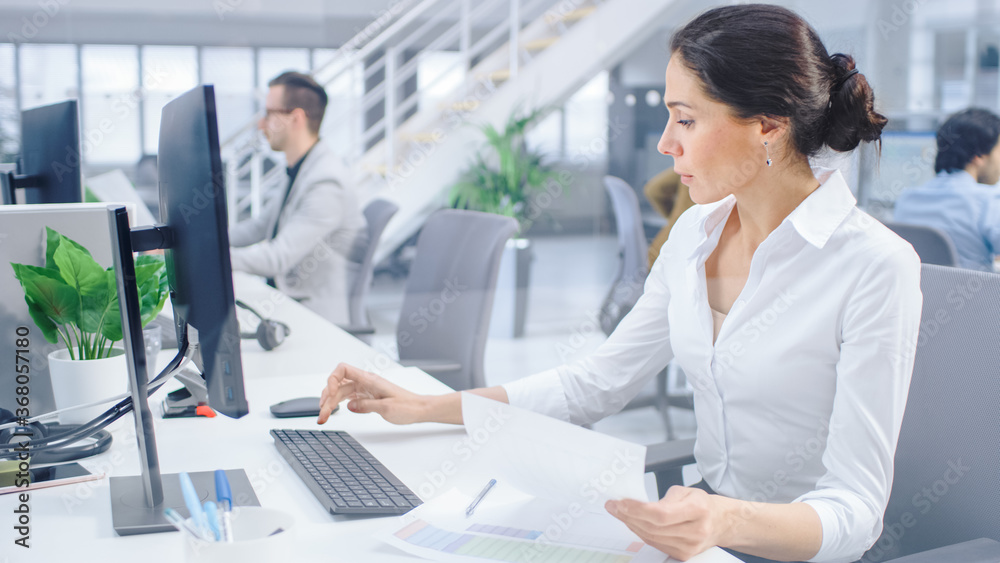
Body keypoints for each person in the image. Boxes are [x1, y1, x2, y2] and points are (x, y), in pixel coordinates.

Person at [316, 5, 922, 562]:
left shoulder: (873, 266)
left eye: (685, 119)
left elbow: (857, 512)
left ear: (767, 126)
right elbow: (597, 383)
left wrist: (725, 521)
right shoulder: (695, 235)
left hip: (785, 545)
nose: (665, 143)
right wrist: (422, 404)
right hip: (703, 534)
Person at [229, 71, 364, 325]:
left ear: (296, 118)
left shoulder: (326, 181)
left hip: (315, 320)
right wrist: (203, 242)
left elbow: (278, 257)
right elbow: (260, 227)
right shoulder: (299, 168)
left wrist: (208, 257)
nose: (261, 124)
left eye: (269, 113)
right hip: (285, 306)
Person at [893, 108, 1000, 271]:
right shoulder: (987, 201)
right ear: (978, 156)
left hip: (919, 295)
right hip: (973, 295)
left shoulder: (906, 199)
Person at [643, 168, 695, 268]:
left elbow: (653, 190)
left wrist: (674, 219)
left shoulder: (687, 166)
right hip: (680, 260)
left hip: (659, 249)